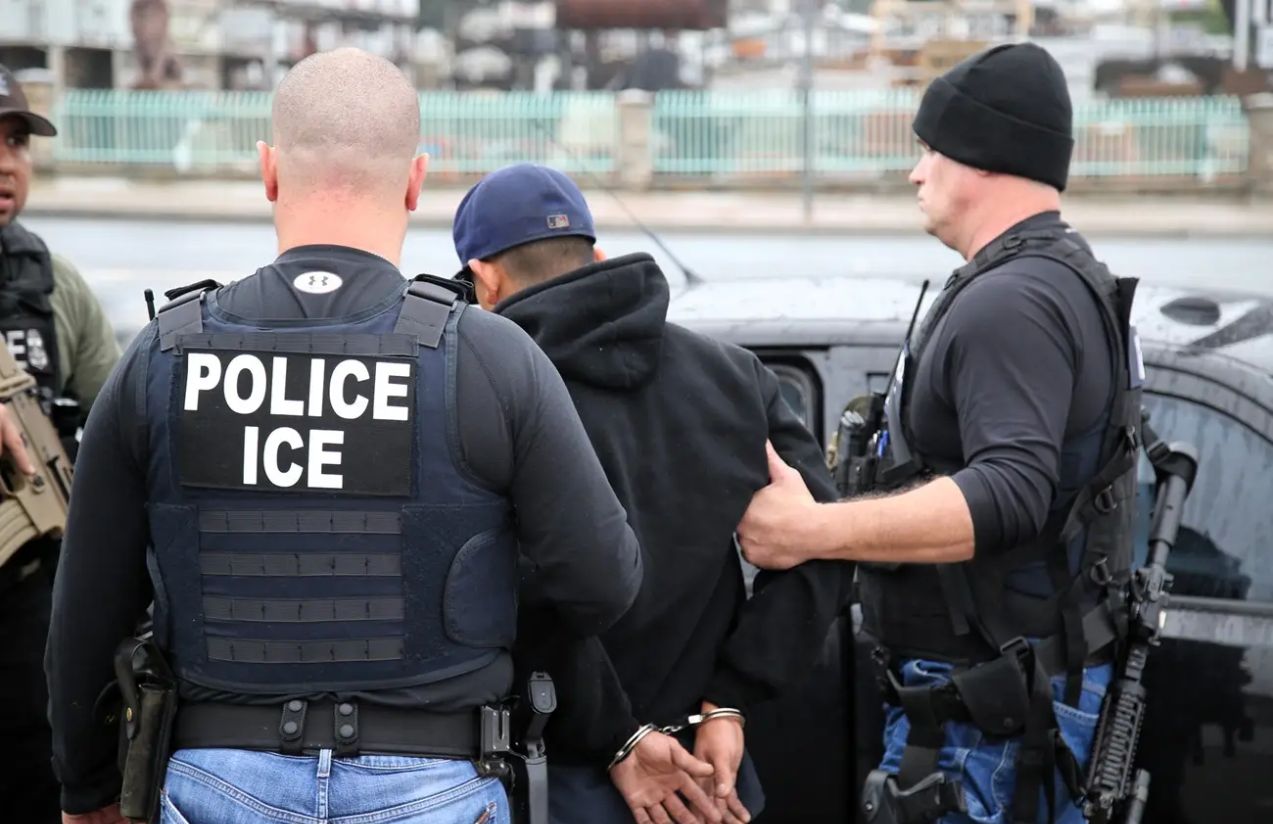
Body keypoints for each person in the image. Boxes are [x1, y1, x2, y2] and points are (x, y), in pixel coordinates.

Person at [45, 49, 642, 824]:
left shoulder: (163, 355)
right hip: (439, 780)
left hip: (216, 781)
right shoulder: (492, 356)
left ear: (267, 172)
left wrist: (86, 789)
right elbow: (604, 580)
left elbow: (85, 608)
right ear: (415, 181)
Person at [737, 43, 1144, 824]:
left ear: (983, 156)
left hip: (979, 726)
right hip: (1001, 707)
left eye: (929, 149)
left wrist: (813, 530)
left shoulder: (1011, 304)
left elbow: (1008, 494)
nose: (914, 171)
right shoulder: (1058, 279)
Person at [453, 163, 854, 824]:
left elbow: (513, 592)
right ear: (597, 257)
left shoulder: (496, 394)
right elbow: (824, 544)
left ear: (485, 279)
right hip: (709, 780)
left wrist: (617, 735)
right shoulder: (734, 377)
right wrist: (730, 699)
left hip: (559, 779)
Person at [0, 63, 122, 823]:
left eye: (17, 141)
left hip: (28, 608)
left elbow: (123, 439)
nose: (6, 161)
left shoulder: (54, 286)